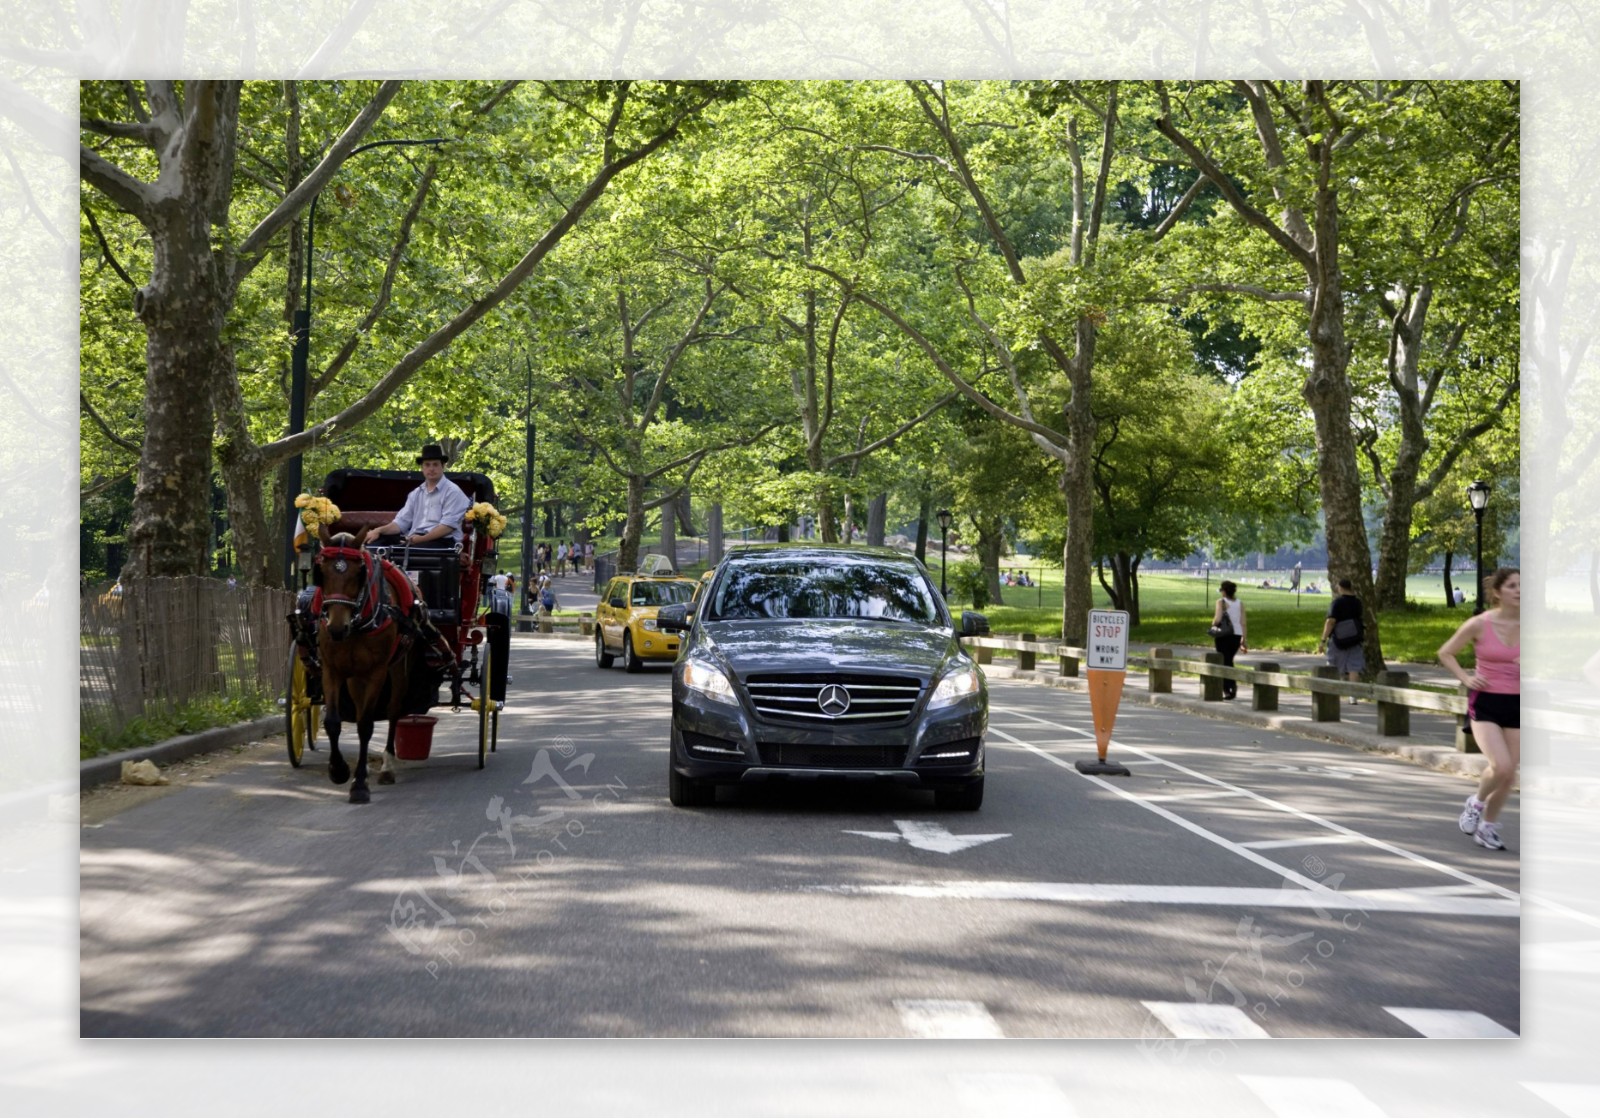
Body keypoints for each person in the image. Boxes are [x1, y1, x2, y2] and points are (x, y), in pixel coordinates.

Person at [1437, 567, 1520, 851]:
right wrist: (1466, 678)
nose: (1519, 590)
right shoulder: (1480, 624)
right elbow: (1445, 652)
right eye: (1512, 586)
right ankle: (1476, 804)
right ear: (1497, 592)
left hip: (1518, 702)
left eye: (1522, 585)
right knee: (1502, 765)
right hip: (1485, 702)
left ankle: (1487, 828)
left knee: (1509, 774)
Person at [371, 443, 472, 548]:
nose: (431, 469)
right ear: (422, 468)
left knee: (406, 550)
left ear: (443, 466)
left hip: (443, 541)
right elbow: (400, 523)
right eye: (427, 465)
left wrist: (421, 539)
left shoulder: (453, 492)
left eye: (435, 464)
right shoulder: (415, 494)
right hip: (415, 539)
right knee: (375, 542)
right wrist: (378, 530)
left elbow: (447, 527)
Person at [1315, 578, 1366, 699]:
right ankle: (1353, 696)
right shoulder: (1357, 603)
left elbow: (1330, 621)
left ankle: (1330, 693)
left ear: (1340, 588)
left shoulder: (1337, 603)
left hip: (1338, 639)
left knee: (1332, 663)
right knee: (1354, 667)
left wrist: (1323, 640)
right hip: (1354, 638)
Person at [1210, 580, 1247, 699]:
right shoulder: (1240, 603)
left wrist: (1213, 626)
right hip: (1236, 635)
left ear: (1224, 591)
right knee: (1229, 660)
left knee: (1224, 660)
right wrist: (1243, 639)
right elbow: (1243, 623)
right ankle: (1230, 686)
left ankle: (1228, 687)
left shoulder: (1221, 602)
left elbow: (1218, 618)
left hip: (1224, 634)